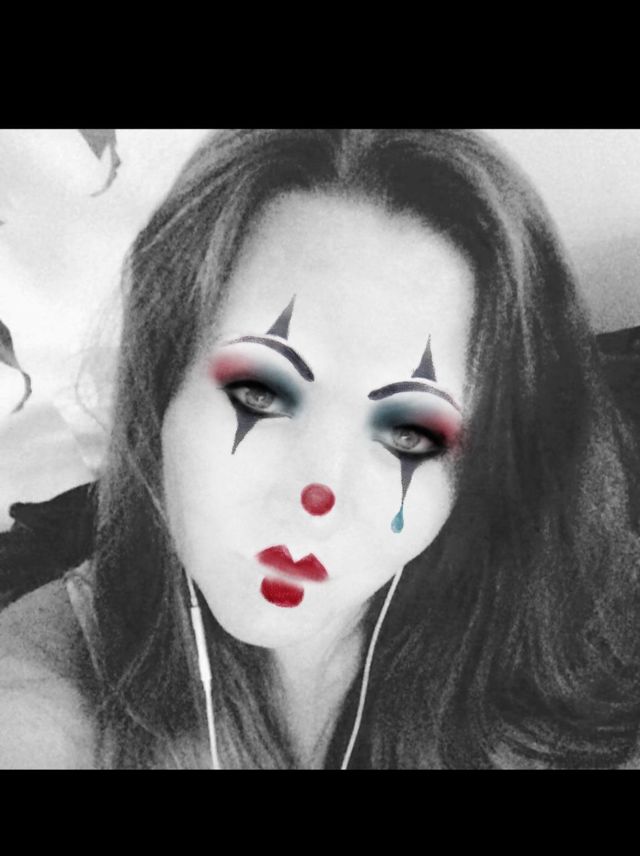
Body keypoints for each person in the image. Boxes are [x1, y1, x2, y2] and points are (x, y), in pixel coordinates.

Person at [1, 129, 639, 770]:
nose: (316, 501)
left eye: (408, 434)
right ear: (161, 380)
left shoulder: (574, 641)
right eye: (260, 394)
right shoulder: (41, 696)